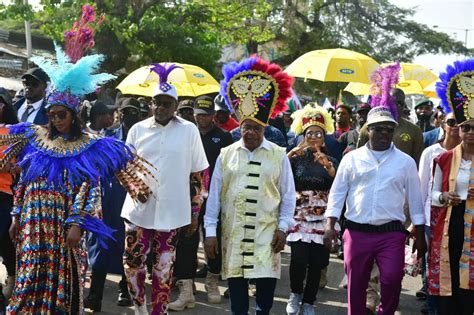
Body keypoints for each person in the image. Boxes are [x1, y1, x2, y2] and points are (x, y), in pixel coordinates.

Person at [4, 40, 152, 314]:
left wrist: (77, 223)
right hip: (32, 224)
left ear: (73, 115)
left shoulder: (87, 146)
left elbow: (89, 189)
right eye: (51, 115)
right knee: (29, 282)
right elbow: (23, 181)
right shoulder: (35, 139)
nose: (56, 119)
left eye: (61, 114)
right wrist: (16, 215)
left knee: (62, 285)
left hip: (63, 227)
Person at [325, 64, 427, 315]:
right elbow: (338, 193)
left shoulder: (404, 162)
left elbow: (415, 198)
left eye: (389, 129)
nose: (384, 133)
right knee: (356, 286)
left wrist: (421, 232)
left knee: (392, 280)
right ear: (367, 130)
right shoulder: (352, 159)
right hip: (356, 232)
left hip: (391, 234)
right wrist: (330, 225)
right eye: (379, 128)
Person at [204, 56, 296, 315]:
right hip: (233, 233)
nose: (251, 132)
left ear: (264, 128)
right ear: (240, 126)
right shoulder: (226, 154)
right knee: (237, 293)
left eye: (256, 128)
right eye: (246, 127)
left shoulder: (278, 154)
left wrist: (283, 227)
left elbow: (288, 195)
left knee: (265, 295)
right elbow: (215, 197)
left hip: (268, 234)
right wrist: (210, 231)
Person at [121, 63, 208, 315]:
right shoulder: (137, 130)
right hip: (138, 211)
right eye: (156, 102)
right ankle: (139, 309)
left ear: (175, 106)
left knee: (163, 268)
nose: (160, 108)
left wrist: (194, 211)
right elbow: (122, 167)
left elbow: (200, 173)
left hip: (172, 213)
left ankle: (159, 311)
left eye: (166, 103)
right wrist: (134, 186)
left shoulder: (189, 130)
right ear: (150, 104)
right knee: (133, 264)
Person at [169, 95, 233, 311]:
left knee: (213, 239)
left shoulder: (224, 137)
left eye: (207, 115)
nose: (203, 119)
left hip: (215, 195)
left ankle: (213, 281)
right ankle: (186, 289)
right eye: (199, 115)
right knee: (187, 240)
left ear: (214, 116)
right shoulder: (186, 134)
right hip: (189, 194)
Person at [83, 98, 147, 312]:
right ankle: (95, 295)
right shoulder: (108, 137)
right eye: (124, 112)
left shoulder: (144, 135)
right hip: (104, 198)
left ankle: (125, 289)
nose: (127, 116)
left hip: (129, 197)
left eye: (133, 112)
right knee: (100, 245)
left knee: (127, 246)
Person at [428, 59, 474, 315]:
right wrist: (444, 195)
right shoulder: (443, 159)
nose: (468, 132)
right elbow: (433, 195)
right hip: (450, 225)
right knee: (450, 286)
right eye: (465, 126)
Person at [285, 105, 338, 315]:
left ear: (324, 138)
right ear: (303, 136)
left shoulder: (331, 160)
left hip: (323, 215)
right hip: (299, 213)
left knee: (317, 262)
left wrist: (328, 167)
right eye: (310, 133)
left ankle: (309, 302)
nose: (314, 137)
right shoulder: (295, 158)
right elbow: (281, 178)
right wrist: (290, 155)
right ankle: (295, 293)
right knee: (298, 258)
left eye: (318, 133)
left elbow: (338, 183)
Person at [415, 112, 460, 313]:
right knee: (431, 263)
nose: (456, 127)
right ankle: (431, 303)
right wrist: (416, 222)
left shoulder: (468, 154)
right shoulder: (430, 152)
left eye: (462, 123)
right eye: (451, 122)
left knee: (454, 264)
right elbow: (422, 188)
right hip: (430, 217)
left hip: (459, 219)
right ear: (443, 124)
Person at [358, 88, 424, 166]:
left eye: (400, 103)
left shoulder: (414, 130)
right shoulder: (370, 127)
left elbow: (418, 162)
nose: (396, 106)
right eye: (392, 102)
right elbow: (359, 156)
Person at [0, 88, 18, 303]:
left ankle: (12, 279)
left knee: (4, 239)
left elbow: (14, 166)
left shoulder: (12, 132)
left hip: (4, 194)